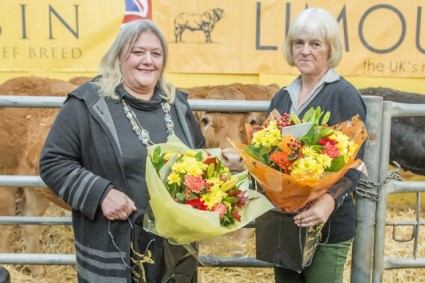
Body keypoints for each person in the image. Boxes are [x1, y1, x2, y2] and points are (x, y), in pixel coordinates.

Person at [39, 19, 205, 283]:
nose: (147, 61)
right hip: (115, 251)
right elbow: (53, 162)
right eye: (137, 52)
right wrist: (101, 193)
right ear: (118, 56)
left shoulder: (178, 106)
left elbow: (199, 160)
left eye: (156, 53)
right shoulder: (88, 104)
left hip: (175, 251)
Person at [262, 8, 367, 283]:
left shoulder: (344, 95)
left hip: (328, 226)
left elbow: (356, 163)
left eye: (315, 44)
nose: (305, 51)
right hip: (285, 224)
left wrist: (328, 200)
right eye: (299, 43)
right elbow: (265, 158)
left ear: (330, 49)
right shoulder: (282, 97)